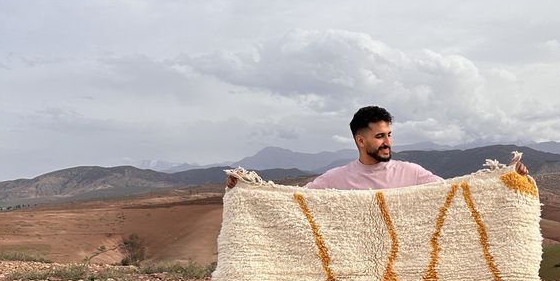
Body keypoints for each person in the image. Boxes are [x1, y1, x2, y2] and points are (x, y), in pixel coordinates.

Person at [226, 105, 528, 191]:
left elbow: (456, 191)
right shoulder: (336, 179)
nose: (387, 142)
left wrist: (507, 179)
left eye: (389, 135)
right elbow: (293, 203)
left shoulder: (411, 173)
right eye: (380, 136)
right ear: (361, 140)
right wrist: (245, 191)